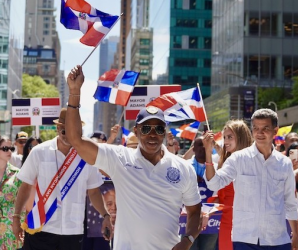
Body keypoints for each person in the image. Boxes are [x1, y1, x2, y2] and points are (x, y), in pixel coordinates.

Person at [65, 65, 202, 250]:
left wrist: (187, 241)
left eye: (159, 129)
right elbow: (76, 140)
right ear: (136, 131)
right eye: (146, 129)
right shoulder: (120, 158)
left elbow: (195, 211)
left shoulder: (183, 167)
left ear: (164, 132)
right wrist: (74, 93)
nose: (152, 134)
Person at [12, 108, 112, 250]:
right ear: (58, 128)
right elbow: (25, 186)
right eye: (65, 131)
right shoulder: (39, 152)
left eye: (74, 131)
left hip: (73, 230)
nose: (69, 136)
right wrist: (16, 217)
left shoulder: (87, 155)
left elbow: (94, 191)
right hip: (41, 228)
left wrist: (105, 215)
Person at [204, 109, 298, 250]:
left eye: (265, 128)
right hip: (245, 239)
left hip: (277, 239)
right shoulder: (238, 159)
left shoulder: (284, 164)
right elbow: (214, 183)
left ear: (275, 131)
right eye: (256, 128)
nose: (260, 133)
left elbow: (290, 202)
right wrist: (208, 152)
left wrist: (296, 234)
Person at [203, 120, 253, 250]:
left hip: (249, 222)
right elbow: (215, 188)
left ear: (241, 138)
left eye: (230, 137)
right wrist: (208, 152)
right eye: (224, 137)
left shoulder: (254, 161)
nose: (225, 141)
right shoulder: (225, 162)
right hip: (226, 220)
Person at [186, 137, 218, 250]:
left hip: (212, 219)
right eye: (200, 145)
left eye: (205, 145)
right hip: (189, 219)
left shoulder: (217, 167)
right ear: (193, 149)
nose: (203, 148)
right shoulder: (186, 167)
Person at [0, 136, 23, 249]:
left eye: (11, 149)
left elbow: (24, 203)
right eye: (5, 148)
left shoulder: (18, 174)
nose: (9, 151)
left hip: (11, 232)